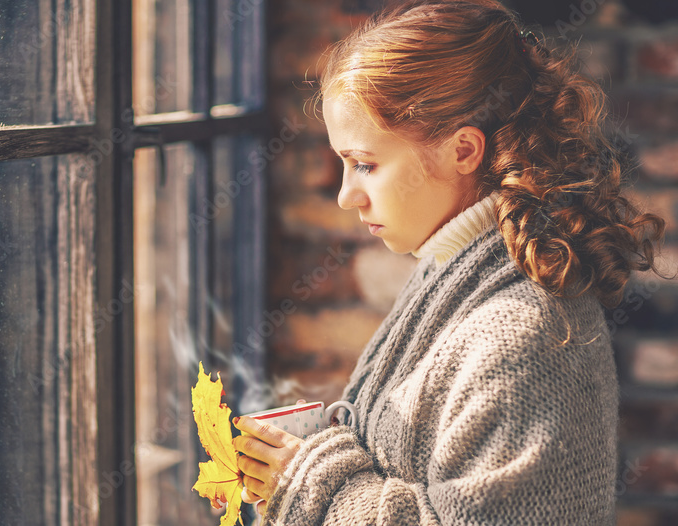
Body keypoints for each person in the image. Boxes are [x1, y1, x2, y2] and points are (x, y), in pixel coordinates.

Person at [231, 0, 668, 524]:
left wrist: (309, 485)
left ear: (463, 150)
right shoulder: (448, 270)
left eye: (365, 164)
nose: (347, 196)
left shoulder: (520, 337)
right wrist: (288, 467)